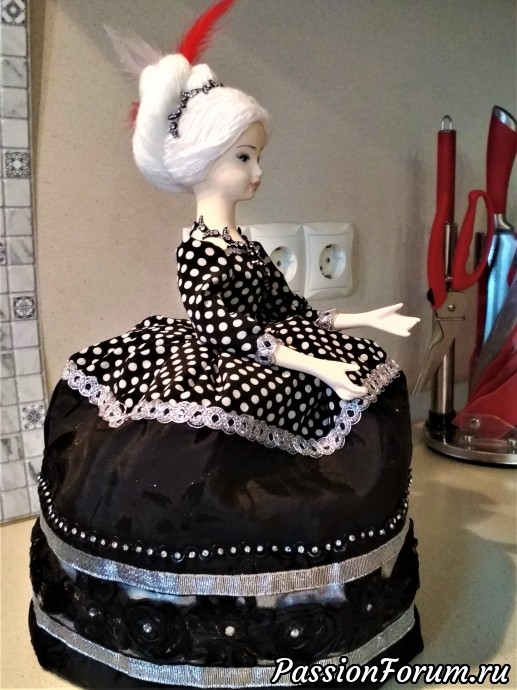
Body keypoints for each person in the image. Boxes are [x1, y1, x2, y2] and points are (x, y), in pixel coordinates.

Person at [29, 2, 423, 687]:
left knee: (361, 399)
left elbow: (284, 308)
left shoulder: (243, 242)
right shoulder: (201, 248)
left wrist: (358, 319)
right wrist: (314, 364)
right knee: (196, 466)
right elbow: (229, 332)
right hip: (230, 364)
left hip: (267, 351)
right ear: (201, 161)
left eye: (257, 156)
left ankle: (317, 612)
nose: (257, 172)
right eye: (244, 156)